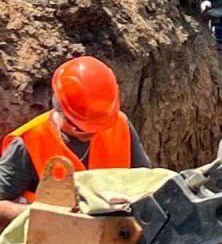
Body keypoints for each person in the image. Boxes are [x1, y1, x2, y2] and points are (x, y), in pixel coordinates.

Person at [0, 57, 151, 225]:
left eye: (99, 127)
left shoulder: (119, 125)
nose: (93, 134)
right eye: (82, 129)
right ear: (61, 111)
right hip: (54, 241)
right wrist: (45, 217)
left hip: (118, 234)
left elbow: (146, 184)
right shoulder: (29, 142)